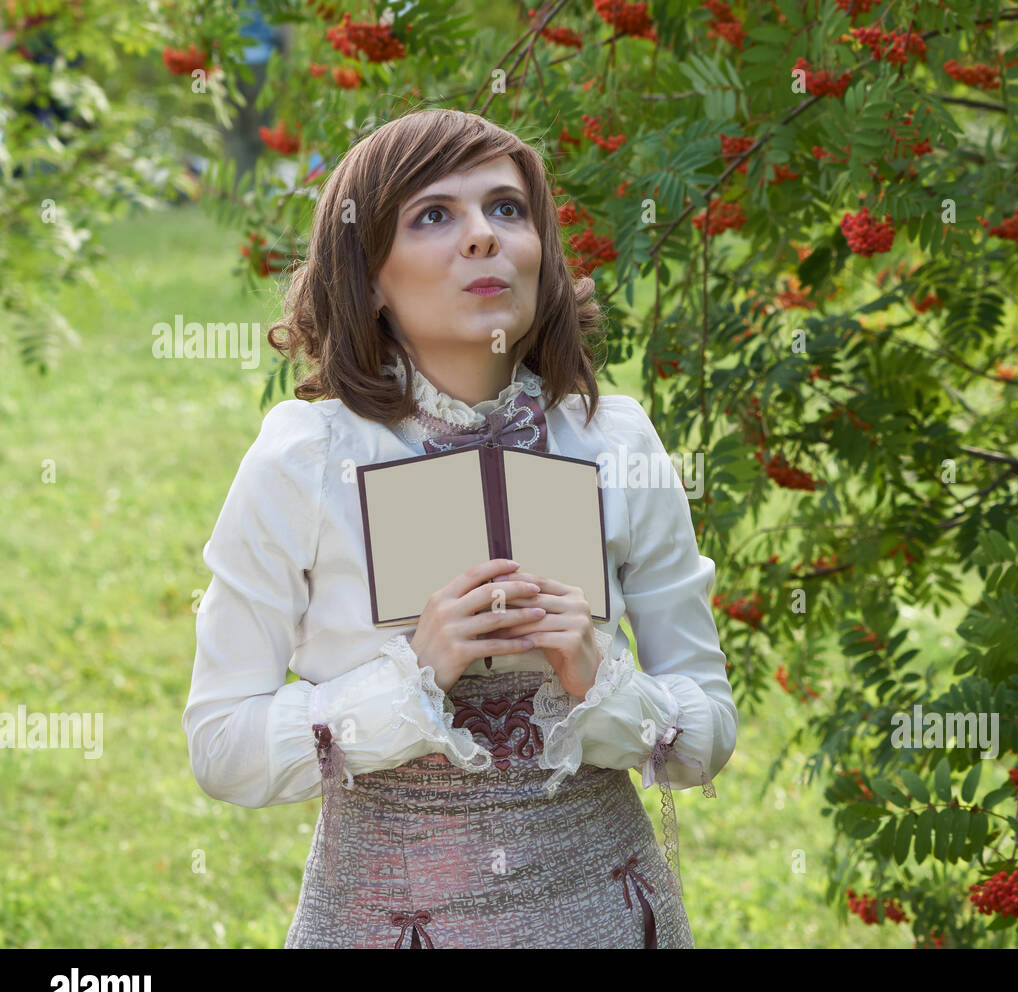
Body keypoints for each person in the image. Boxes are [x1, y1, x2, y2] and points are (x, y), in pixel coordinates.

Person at [181, 107, 738, 949]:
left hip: (613, 921)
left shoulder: (615, 440)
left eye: (507, 209)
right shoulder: (303, 456)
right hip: (382, 926)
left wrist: (603, 678)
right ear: (367, 275)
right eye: (434, 215)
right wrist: (408, 677)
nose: (483, 235)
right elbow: (220, 747)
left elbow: (707, 737)